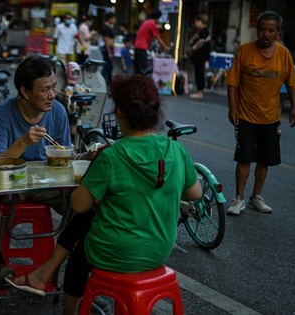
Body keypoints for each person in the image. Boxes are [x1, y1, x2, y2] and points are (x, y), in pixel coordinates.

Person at [11, 76, 202, 313]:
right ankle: (43, 275)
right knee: (90, 221)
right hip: (159, 251)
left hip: (116, 254)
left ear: (120, 113)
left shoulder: (111, 155)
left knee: (81, 246)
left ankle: (66, 306)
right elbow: (195, 192)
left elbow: (79, 205)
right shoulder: (176, 149)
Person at [0, 56, 77, 261]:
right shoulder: (3, 113)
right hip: (13, 185)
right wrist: (23, 142)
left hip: (48, 185)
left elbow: (66, 155)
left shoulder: (58, 111)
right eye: (45, 90)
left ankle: (76, 258)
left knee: (84, 201)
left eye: (54, 87)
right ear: (25, 92)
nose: (52, 95)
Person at [225, 10, 295, 215]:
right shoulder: (244, 51)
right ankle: (238, 198)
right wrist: (232, 109)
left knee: (265, 160)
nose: (266, 34)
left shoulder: (284, 55)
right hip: (246, 116)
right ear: (257, 30)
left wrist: (294, 108)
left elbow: (292, 83)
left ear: (278, 33)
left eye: (271, 30)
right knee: (245, 158)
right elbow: (233, 83)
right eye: (262, 30)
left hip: (271, 118)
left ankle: (255, 197)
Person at [134, 9, 169, 74]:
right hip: (142, 47)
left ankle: (136, 83)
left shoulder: (146, 22)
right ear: (158, 17)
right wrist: (165, 47)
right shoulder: (152, 24)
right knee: (143, 70)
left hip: (137, 46)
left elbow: (151, 37)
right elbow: (158, 38)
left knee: (138, 69)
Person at [187, 14, 211, 99]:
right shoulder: (201, 31)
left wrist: (193, 48)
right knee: (198, 72)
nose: (196, 24)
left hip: (200, 55)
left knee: (199, 73)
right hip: (200, 55)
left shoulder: (204, 31)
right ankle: (199, 91)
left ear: (200, 22)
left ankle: (199, 92)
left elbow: (201, 41)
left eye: (196, 22)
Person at [99, 12, 116, 85]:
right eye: (114, 18)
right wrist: (109, 52)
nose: (115, 20)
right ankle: (102, 81)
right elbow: (107, 41)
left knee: (109, 67)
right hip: (107, 50)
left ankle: (108, 81)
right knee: (106, 66)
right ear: (110, 19)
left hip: (108, 49)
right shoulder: (106, 28)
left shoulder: (108, 27)